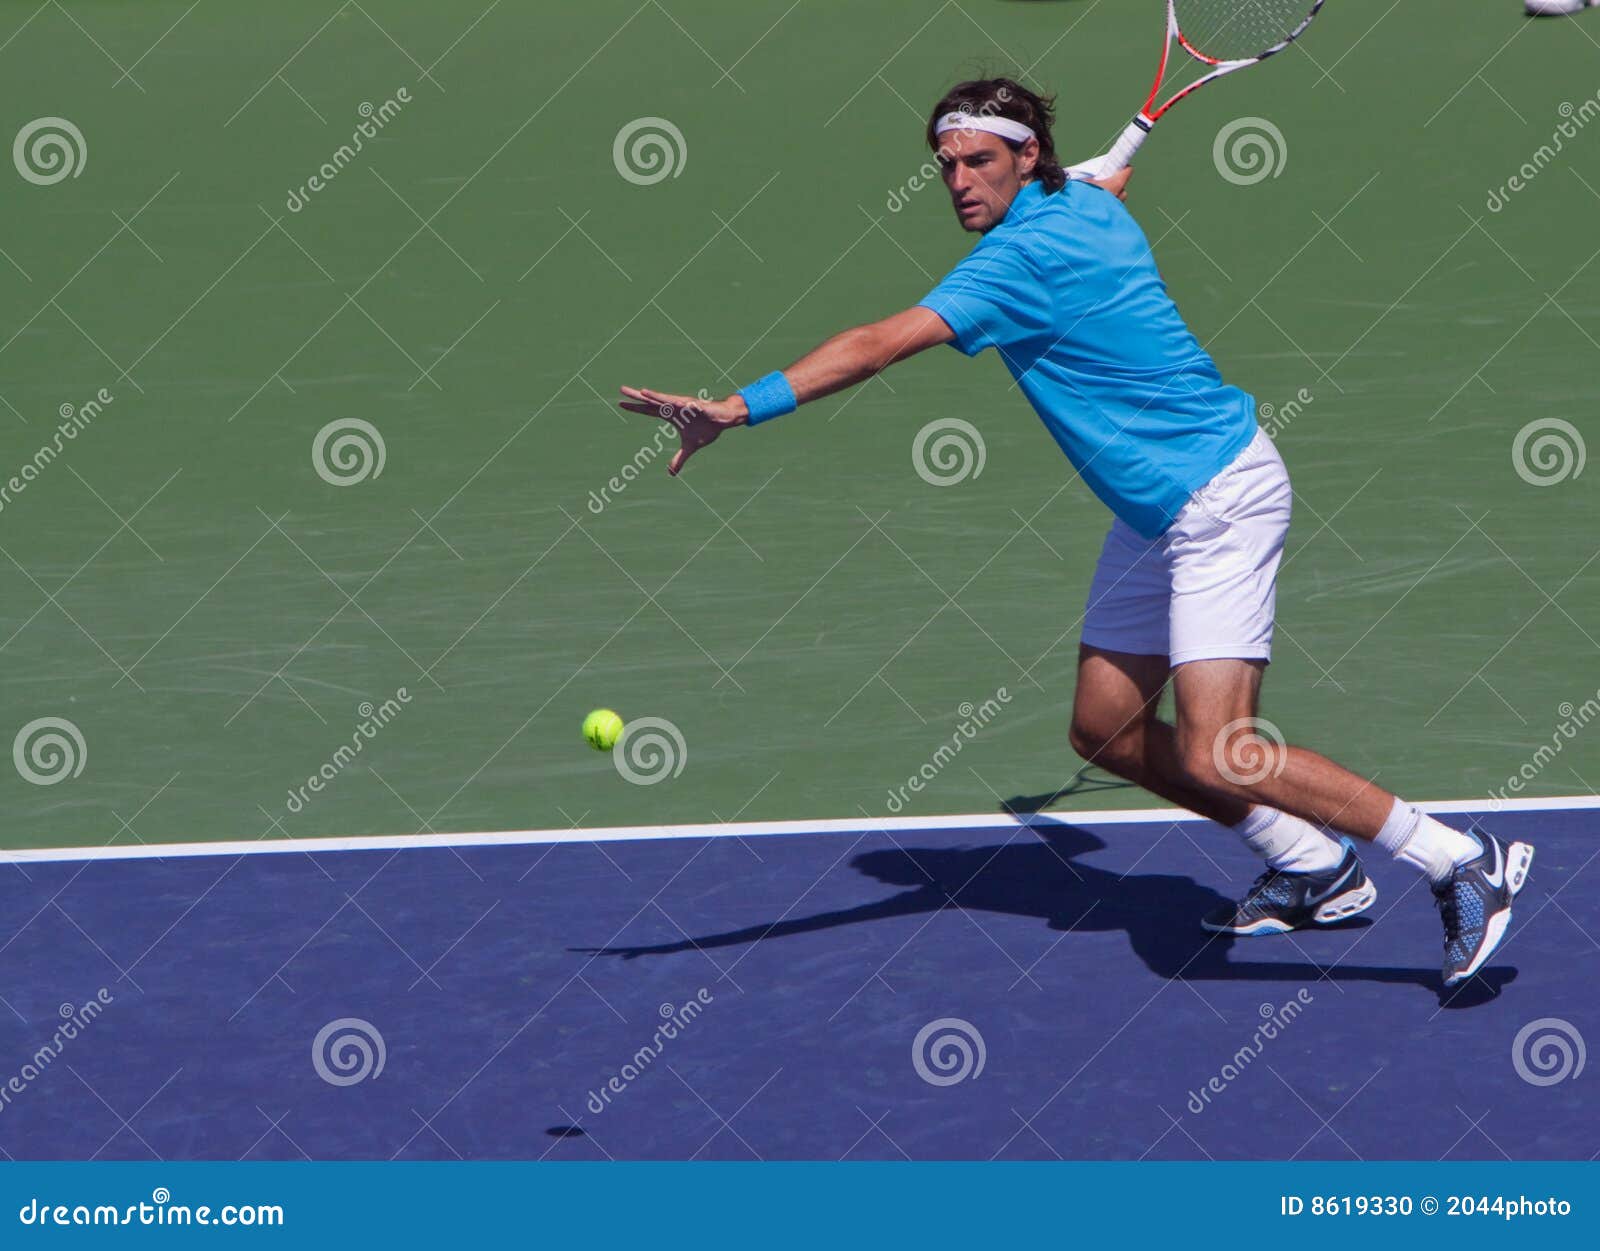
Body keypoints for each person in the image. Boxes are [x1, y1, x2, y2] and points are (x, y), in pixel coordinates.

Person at [617, 78, 1533, 988]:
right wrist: (1073, 179)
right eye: (947, 166)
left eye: (980, 161)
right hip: (1153, 508)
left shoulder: (1015, 265)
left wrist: (740, 407)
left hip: (1218, 496)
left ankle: (1459, 858)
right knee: (1107, 731)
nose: (960, 182)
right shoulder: (1083, 203)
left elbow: (881, 341)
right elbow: (1098, 187)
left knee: (1224, 747)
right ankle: (1312, 865)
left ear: (1026, 158)